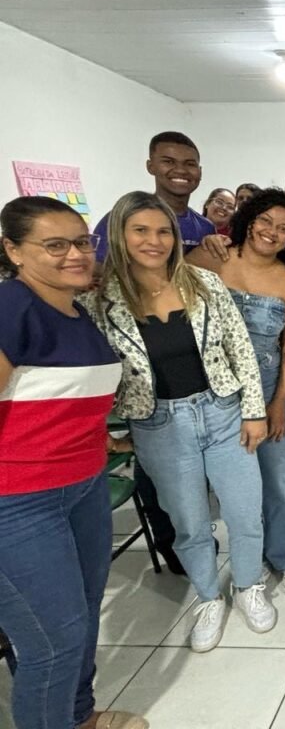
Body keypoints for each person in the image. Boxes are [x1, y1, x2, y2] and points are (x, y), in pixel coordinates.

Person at [88, 191, 273, 653]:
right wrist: (110, 431)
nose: (154, 241)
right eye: (140, 231)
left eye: (163, 231)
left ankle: (248, 584)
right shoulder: (101, 300)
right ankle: (208, 596)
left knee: (245, 510)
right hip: (158, 425)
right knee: (189, 522)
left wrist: (254, 411)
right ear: (120, 236)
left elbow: (240, 349)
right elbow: (94, 372)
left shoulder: (203, 282)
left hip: (222, 411)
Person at [0, 197, 148, 729]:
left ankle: (79, 716)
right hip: (18, 500)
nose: (76, 254)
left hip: (83, 484)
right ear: (14, 250)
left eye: (82, 242)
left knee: (79, 620)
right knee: (53, 642)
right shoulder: (10, 306)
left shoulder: (74, 309)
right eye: (55, 245)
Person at [187, 188, 285, 595]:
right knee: (234, 483)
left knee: (279, 477)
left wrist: (279, 402)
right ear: (249, 219)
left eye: (284, 228)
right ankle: (247, 561)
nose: (272, 232)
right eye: (265, 221)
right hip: (214, 389)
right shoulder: (213, 257)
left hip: (268, 383)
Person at [92, 131, 213, 262]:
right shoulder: (121, 218)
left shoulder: (206, 227)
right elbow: (98, 269)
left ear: (200, 171)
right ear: (150, 167)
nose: (181, 170)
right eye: (169, 162)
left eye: (190, 164)